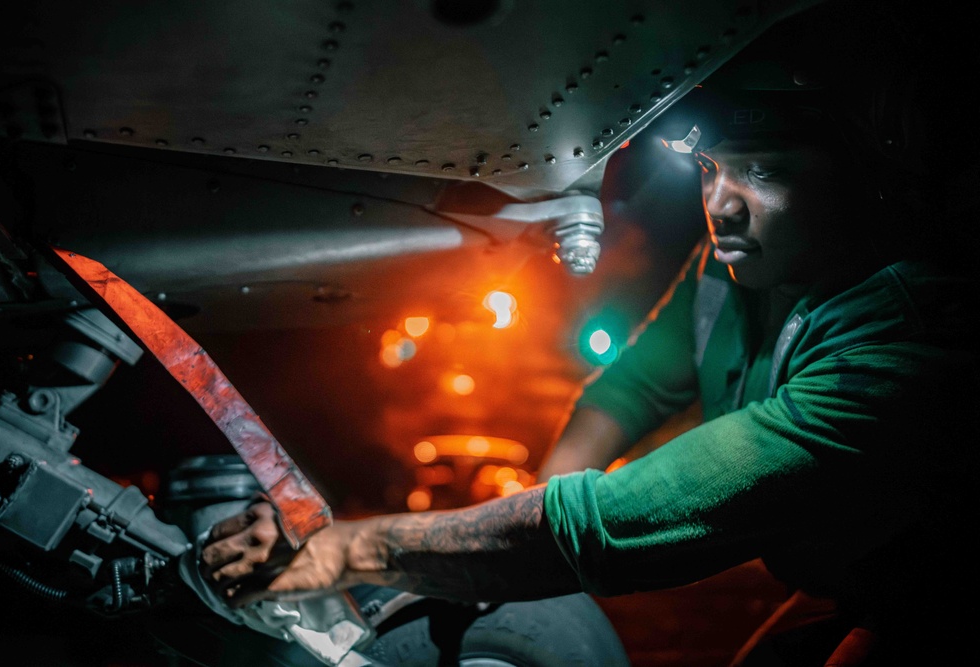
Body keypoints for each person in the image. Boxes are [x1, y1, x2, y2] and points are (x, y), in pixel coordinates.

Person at [200, 1, 978, 664]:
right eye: (710, 169)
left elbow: (618, 522)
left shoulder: (900, 347)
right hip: (850, 575)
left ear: (862, 177)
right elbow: (633, 387)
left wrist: (345, 546)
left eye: (764, 171)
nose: (723, 205)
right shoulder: (731, 268)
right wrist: (508, 535)